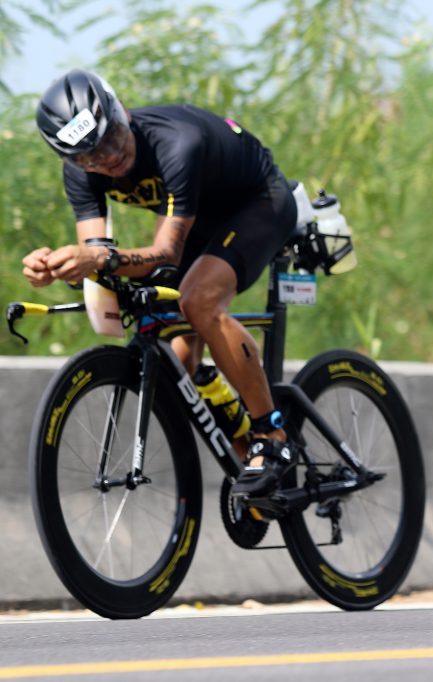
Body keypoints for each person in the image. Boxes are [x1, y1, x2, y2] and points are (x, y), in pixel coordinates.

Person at [23, 68, 296, 500]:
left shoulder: (177, 143)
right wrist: (58, 266)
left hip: (258, 202)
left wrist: (97, 258)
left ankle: (272, 437)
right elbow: (100, 257)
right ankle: (247, 459)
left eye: (111, 139)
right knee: (177, 363)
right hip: (196, 220)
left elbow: (167, 253)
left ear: (122, 113)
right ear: (72, 160)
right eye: (89, 157)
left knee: (198, 302)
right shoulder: (81, 172)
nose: (107, 158)